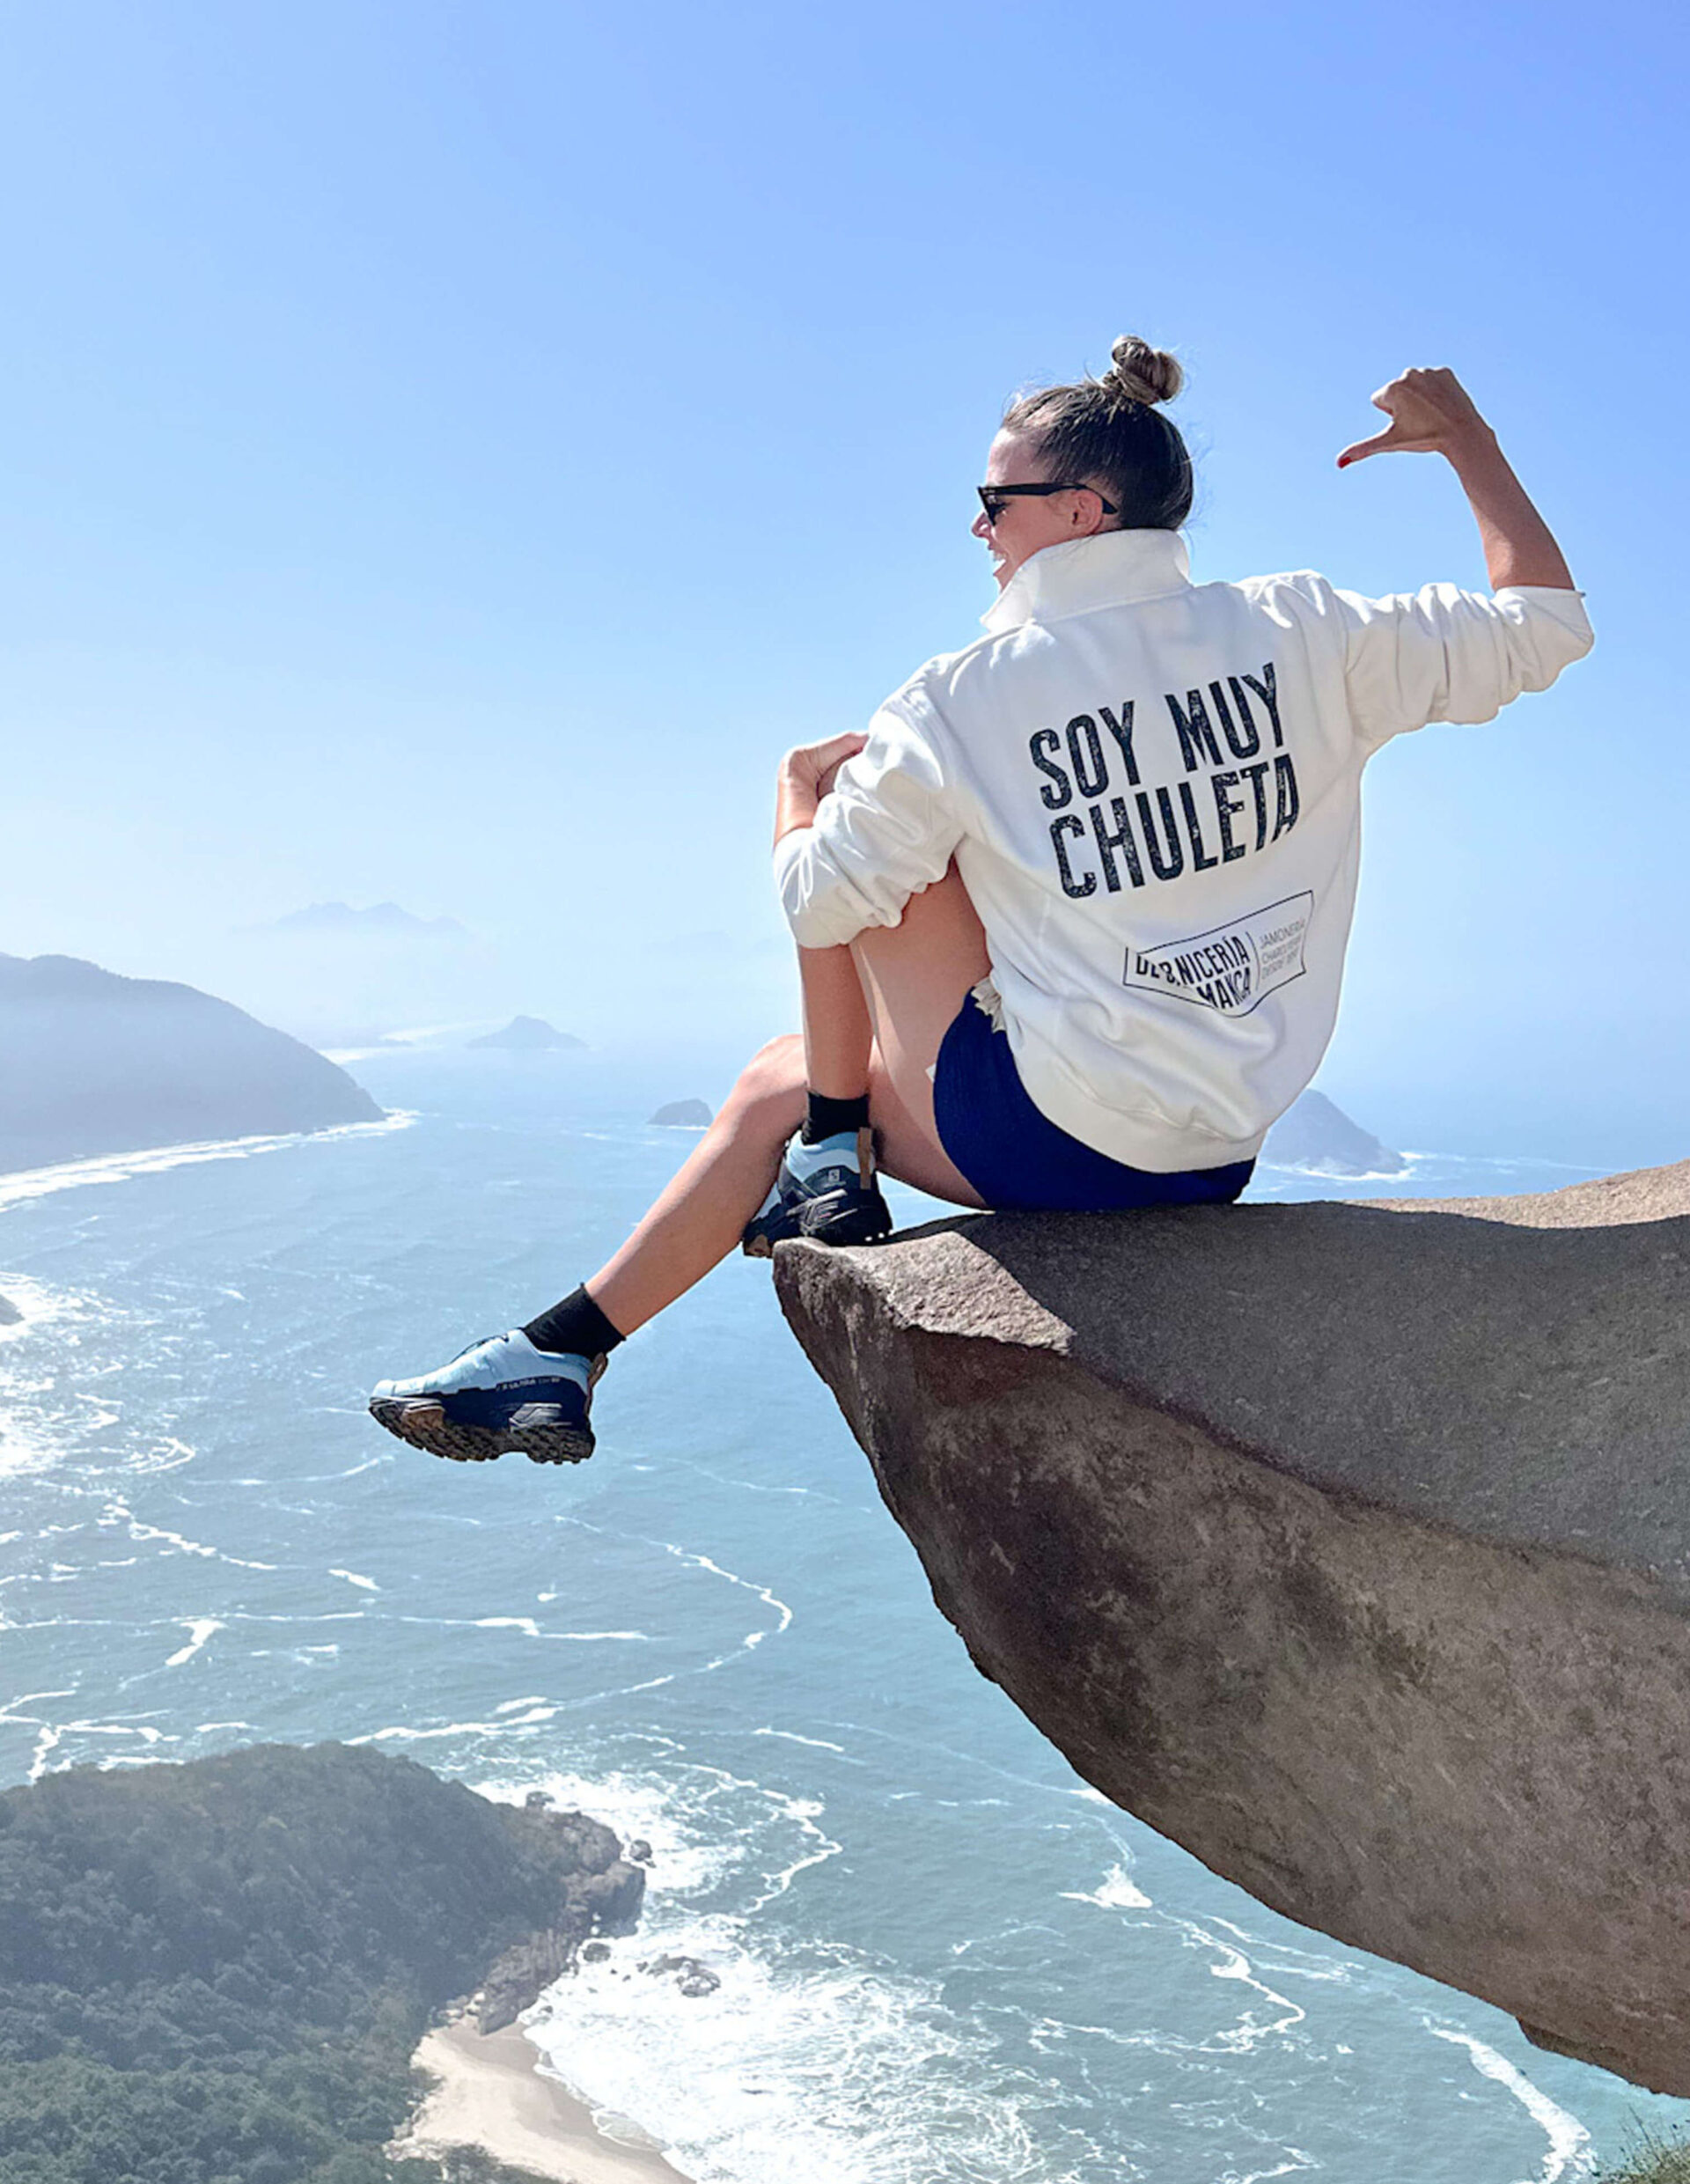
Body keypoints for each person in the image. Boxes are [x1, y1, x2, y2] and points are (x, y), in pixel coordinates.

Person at [369, 336, 1591, 1466]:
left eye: (995, 502)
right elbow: (1546, 627)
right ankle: (566, 1346)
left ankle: (804, 1172)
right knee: (798, 1040)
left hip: (1052, 1142)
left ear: (1078, 511)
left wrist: (791, 793)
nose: (976, 526)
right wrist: (1467, 443)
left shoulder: (965, 696)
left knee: (831, 916)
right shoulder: (1309, 629)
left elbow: (818, 897)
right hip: (1216, 1153)